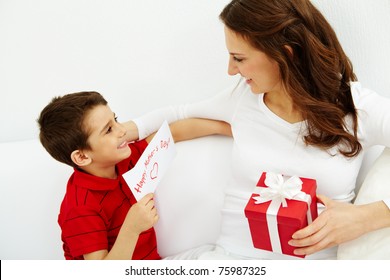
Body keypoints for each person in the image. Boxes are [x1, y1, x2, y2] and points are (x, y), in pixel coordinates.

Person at [124, 0, 390, 259]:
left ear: (286, 53)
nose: (231, 70)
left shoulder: (356, 108)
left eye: (238, 58)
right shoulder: (242, 99)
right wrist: (124, 131)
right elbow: (179, 113)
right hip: (230, 261)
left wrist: (367, 217)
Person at [37, 91, 231, 260]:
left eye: (116, 119)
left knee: (217, 256)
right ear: (81, 156)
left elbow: (172, 132)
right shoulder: (80, 208)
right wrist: (132, 229)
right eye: (109, 130)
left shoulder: (123, 159)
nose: (123, 131)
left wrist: (226, 128)